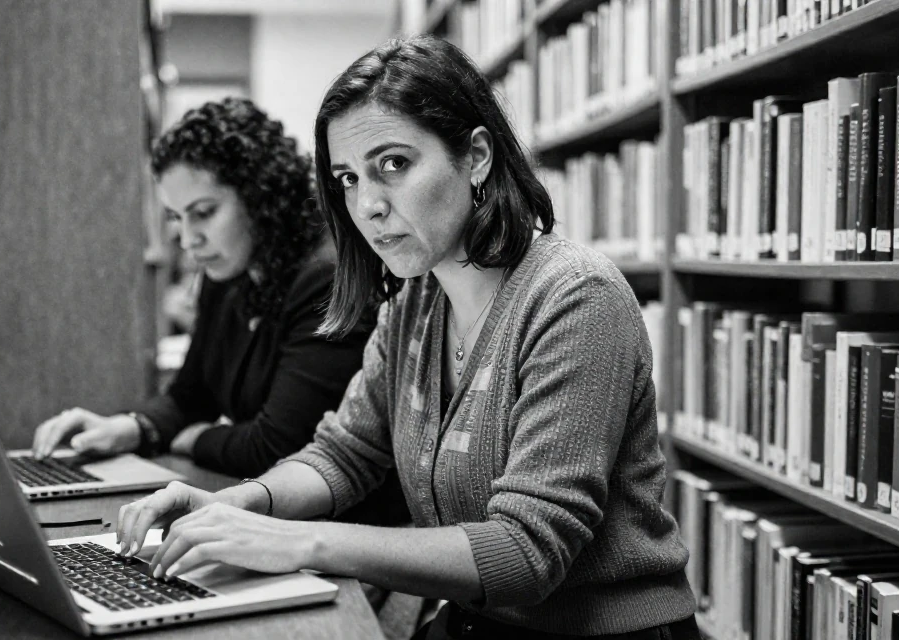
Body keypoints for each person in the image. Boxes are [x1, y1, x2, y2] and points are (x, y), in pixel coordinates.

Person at [111, 36, 700, 640]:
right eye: (347, 178)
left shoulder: (576, 297)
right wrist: (243, 503)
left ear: (476, 156)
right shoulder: (416, 300)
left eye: (393, 164)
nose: (367, 205)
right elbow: (345, 453)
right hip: (475, 621)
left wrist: (297, 541)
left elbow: (527, 553)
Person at [29, 98, 393, 499]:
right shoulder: (227, 271)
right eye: (176, 218)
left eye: (203, 212)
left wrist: (196, 439)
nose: (188, 240)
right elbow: (192, 393)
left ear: (259, 197)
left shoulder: (327, 276)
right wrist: (132, 428)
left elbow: (278, 447)